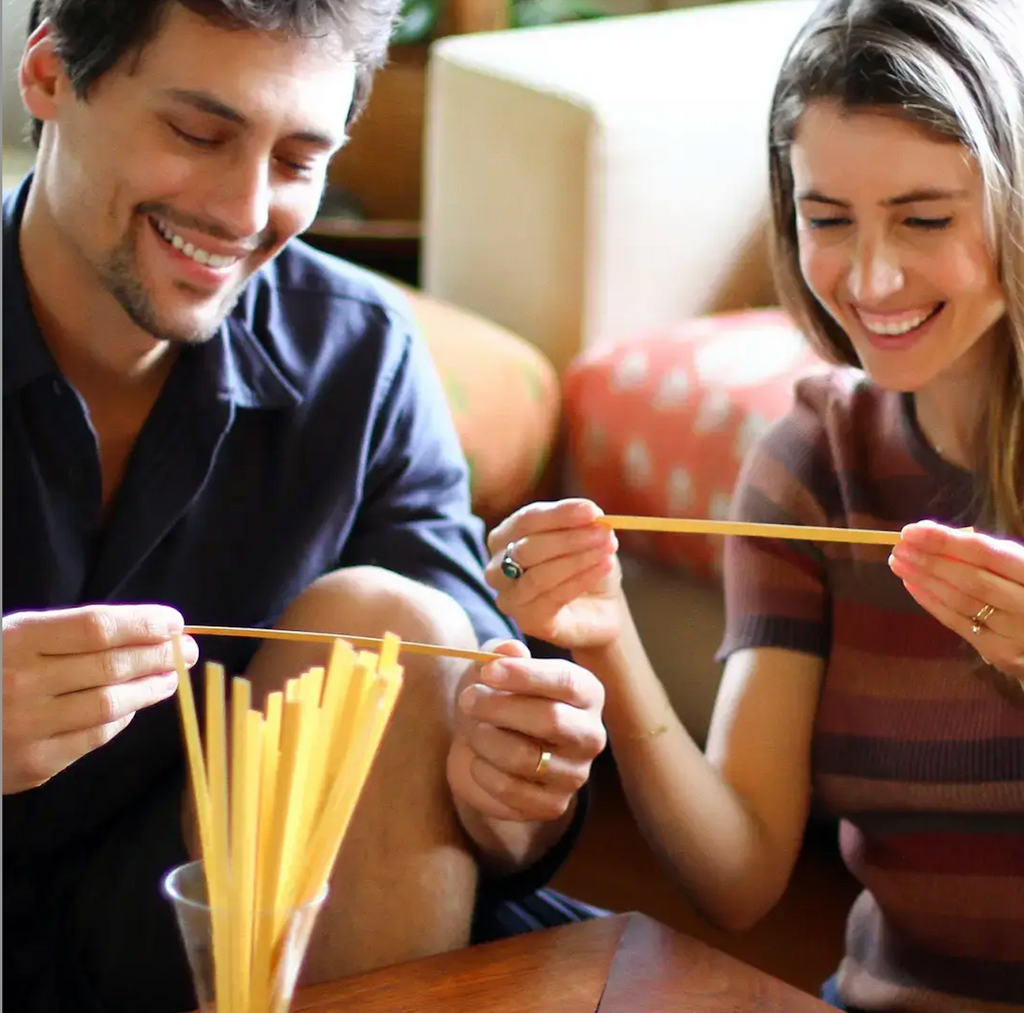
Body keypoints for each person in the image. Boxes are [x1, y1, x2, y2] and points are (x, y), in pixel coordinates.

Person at [1, 2, 609, 1011]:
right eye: (199, 133)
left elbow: (467, 755)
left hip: (229, 930)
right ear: (51, 77)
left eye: (296, 159)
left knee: (401, 632)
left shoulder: (359, 358)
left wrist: (513, 783)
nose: (244, 210)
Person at [485, 0, 1024, 1010]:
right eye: (827, 220)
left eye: (923, 218)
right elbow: (736, 878)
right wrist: (605, 641)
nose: (868, 277)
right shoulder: (809, 464)